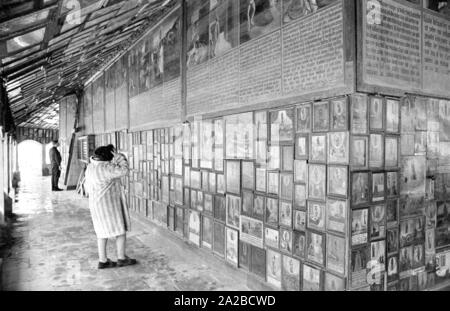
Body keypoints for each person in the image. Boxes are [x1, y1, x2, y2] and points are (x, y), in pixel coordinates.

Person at [85, 145, 137, 269]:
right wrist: (119, 157)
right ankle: (121, 258)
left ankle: (103, 260)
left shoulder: (90, 167)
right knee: (120, 231)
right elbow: (124, 170)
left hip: (95, 206)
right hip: (108, 206)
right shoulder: (107, 168)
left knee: (101, 233)